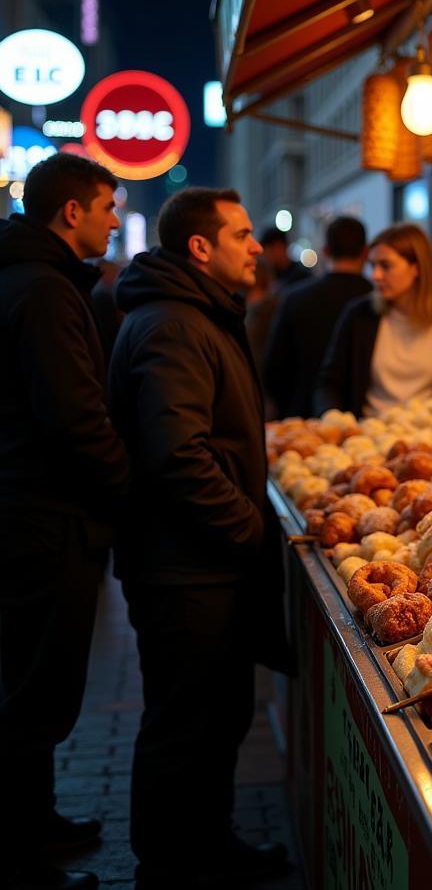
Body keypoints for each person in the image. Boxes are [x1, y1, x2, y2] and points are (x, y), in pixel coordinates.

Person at [108, 188, 290, 889]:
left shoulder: (195, 314)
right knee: (184, 722)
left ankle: (209, 844)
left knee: (217, 717)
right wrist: (247, 525)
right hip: (184, 569)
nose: (256, 246)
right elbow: (176, 451)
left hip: (201, 564)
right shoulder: (174, 326)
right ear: (200, 248)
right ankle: (170, 865)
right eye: (242, 235)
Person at [0, 153, 131, 890]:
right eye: (109, 206)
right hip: (45, 523)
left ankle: (37, 824)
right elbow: (74, 418)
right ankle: (24, 860)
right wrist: (124, 487)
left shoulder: (32, 278)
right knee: (35, 695)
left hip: (32, 513)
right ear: (71, 212)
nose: (116, 220)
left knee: (31, 684)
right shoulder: (44, 291)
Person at [314, 223, 432, 416]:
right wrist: (332, 416)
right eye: (372, 266)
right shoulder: (359, 315)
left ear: (417, 268)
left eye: (385, 266)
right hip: (370, 435)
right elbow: (329, 383)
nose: (375, 275)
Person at [263, 215, 371, 419]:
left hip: (303, 415)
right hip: (366, 423)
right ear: (366, 252)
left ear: (326, 250)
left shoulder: (295, 297)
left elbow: (274, 368)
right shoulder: (375, 300)